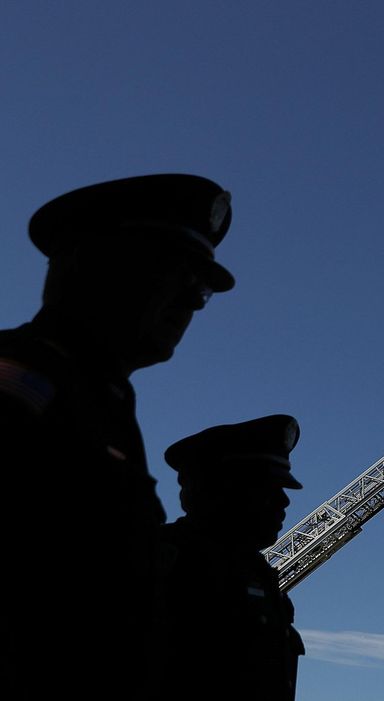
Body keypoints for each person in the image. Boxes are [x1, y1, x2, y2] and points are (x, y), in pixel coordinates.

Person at [0, 174, 236, 699]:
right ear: (94, 267)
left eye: (200, 289)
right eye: (175, 276)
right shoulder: (20, 380)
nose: (192, 304)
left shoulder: (103, 402)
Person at [156, 414, 306, 701]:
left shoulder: (259, 577)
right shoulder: (164, 563)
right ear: (221, 491)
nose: (283, 501)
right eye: (267, 488)